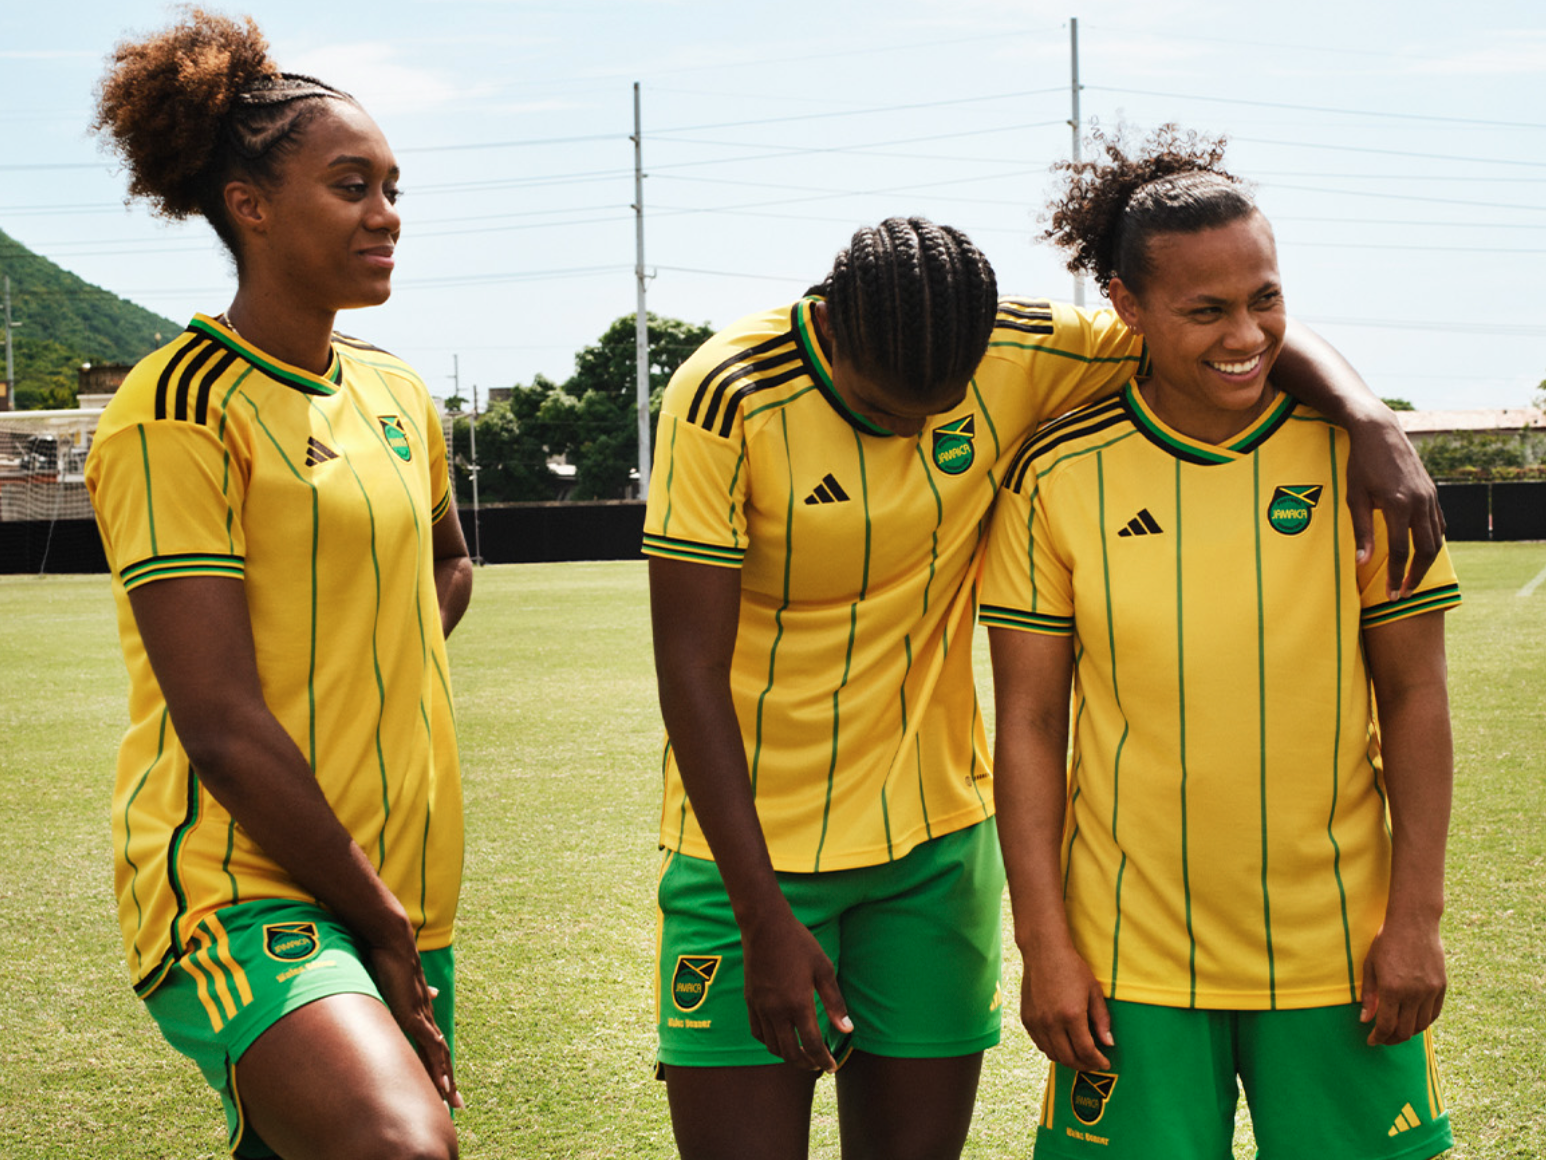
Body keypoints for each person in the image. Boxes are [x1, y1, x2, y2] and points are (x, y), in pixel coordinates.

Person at [642, 214, 1445, 1160]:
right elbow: (689, 668)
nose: (916, 430)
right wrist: (761, 917)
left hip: (935, 848)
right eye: (887, 408)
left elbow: (1220, 326)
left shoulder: (1016, 347)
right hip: (747, 856)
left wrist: (1367, 415)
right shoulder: (726, 394)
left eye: (942, 407)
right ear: (833, 330)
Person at [982, 126, 1459, 1160]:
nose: (1245, 334)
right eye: (1205, 311)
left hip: (1341, 947)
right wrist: (1044, 944)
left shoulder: (1362, 467)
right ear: (1125, 307)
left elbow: (1417, 697)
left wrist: (1416, 919)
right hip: (1129, 955)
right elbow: (1028, 722)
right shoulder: (1054, 474)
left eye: (1265, 299)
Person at [85, 12, 470, 1160]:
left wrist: (370, 663)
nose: (385, 214)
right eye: (351, 186)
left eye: (393, 188)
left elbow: (448, 557)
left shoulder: (396, 392)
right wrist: (373, 913)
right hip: (240, 881)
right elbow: (217, 724)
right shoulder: (175, 409)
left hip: (400, 871)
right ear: (248, 205)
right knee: (400, 1144)